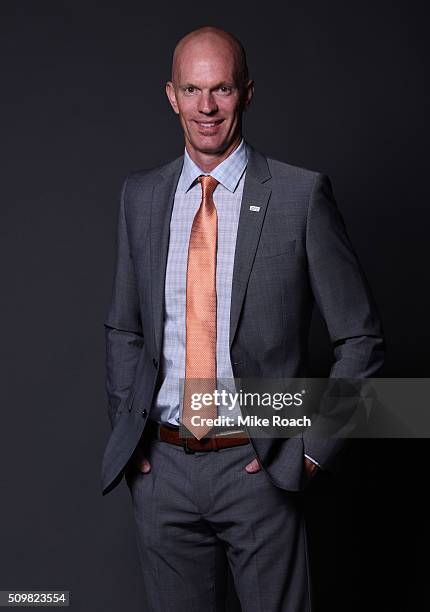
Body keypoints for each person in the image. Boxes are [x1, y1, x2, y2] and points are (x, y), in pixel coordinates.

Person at [101, 25, 384, 612]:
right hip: (163, 475)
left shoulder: (300, 196)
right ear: (171, 96)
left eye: (222, 89)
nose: (207, 107)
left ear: (247, 94)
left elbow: (361, 340)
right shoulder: (141, 197)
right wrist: (135, 444)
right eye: (193, 89)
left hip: (260, 471)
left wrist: (309, 452)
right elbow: (125, 328)